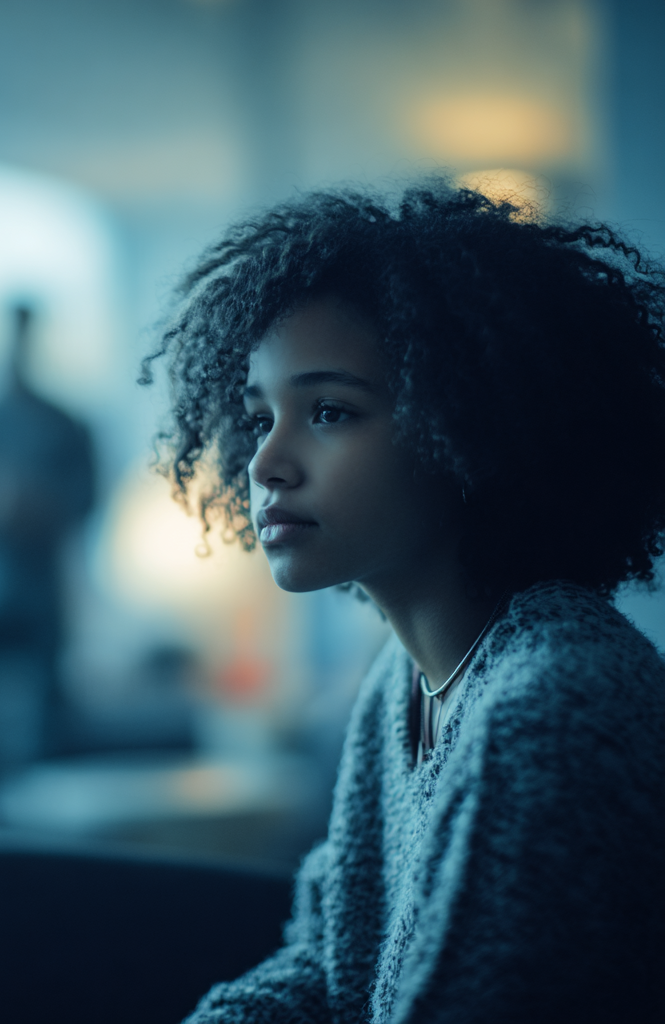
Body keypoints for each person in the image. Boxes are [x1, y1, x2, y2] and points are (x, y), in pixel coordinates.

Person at [142, 182, 665, 1023]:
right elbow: (326, 959)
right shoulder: (404, 680)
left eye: (327, 411)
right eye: (259, 415)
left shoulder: (550, 717)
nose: (266, 462)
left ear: (471, 426)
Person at [0, 304, 95, 776]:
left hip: (42, 592)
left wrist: (38, 509)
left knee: (49, 719)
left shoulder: (64, 424)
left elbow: (86, 498)